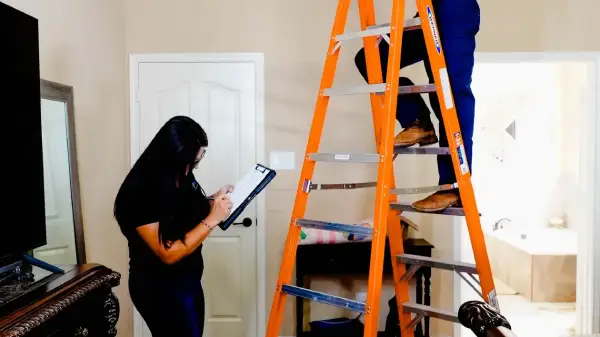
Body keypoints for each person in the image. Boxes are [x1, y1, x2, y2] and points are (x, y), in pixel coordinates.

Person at [354, 0, 480, 212]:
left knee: (450, 95)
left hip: (455, 10)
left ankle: (453, 187)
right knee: (370, 60)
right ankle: (418, 122)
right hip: (426, 11)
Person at [114, 116, 233, 337]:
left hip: (188, 279)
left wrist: (213, 201)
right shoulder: (140, 191)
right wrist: (213, 219)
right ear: (173, 157)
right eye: (194, 160)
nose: (196, 164)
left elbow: (182, 212)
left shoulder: (182, 175)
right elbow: (168, 252)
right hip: (158, 288)